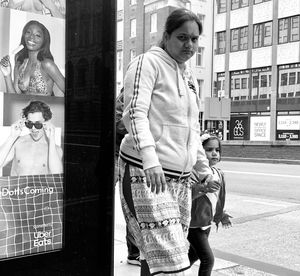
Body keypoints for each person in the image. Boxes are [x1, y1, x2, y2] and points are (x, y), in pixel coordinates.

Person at [118, 8, 219, 276]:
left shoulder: (188, 76)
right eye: (182, 37)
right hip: (145, 171)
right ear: (166, 36)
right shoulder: (146, 63)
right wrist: (151, 160)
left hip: (180, 179)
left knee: (157, 259)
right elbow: (134, 114)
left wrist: (203, 168)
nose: (190, 45)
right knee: (167, 258)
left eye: (195, 39)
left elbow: (192, 129)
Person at [188, 134, 232, 276]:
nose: (214, 153)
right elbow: (188, 197)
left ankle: (173, 271)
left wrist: (221, 215)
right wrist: (203, 187)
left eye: (217, 150)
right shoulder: (194, 173)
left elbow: (219, 198)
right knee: (208, 260)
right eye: (209, 150)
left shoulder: (219, 173)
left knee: (193, 255)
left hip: (206, 223)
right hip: (193, 224)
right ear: (200, 152)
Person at [0, 20, 65, 96]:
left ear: (44, 41)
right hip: (23, 107)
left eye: (37, 35)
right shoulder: (19, 60)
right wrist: (7, 75)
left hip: (45, 107)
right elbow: (14, 97)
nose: (31, 37)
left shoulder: (47, 64)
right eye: (28, 32)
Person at [0, 100, 63, 176]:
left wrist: (52, 140)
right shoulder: (18, 142)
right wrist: (12, 137)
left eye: (38, 124)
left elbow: (57, 177)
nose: (33, 128)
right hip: (18, 187)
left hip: (40, 188)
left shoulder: (55, 149)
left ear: (46, 122)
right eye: (29, 124)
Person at [115, 87, 141, 266]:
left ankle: (135, 252)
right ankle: (134, 253)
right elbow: (119, 123)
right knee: (129, 204)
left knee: (136, 205)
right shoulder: (132, 89)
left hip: (138, 155)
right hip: (120, 153)